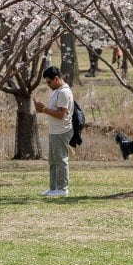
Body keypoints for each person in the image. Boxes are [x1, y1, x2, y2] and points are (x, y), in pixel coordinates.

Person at [34, 65, 74, 198]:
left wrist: (44, 109)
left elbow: (61, 114)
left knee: (61, 159)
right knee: (52, 160)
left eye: (49, 81)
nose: (48, 84)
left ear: (56, 79)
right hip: (54, 131)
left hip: (62, 131)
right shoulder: (57, 91)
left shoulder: (64, 92)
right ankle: (53, 188)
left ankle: (63, 188)